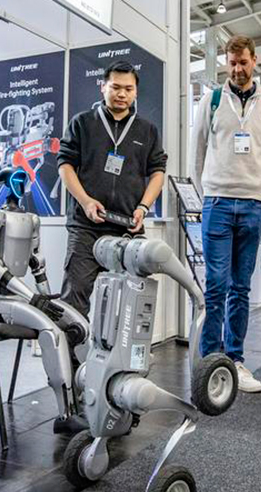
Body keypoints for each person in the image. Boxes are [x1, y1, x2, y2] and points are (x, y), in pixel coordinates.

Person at [190, 35, 261, 393]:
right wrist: (206, 194)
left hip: (251, 206)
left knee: (240, 288)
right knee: (216, 286)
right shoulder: (211, 100)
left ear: (254, 61)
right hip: (216, 202)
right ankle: (210, 361)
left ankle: (235, 360)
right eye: (231, 63)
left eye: (243, 62)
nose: (237, 69)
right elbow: (197, 152)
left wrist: (258, 192)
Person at [57, 61, 167, 317]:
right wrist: (85, 201)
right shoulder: (82, 123)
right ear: (103, 87)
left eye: (128, 89)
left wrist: (143, 207)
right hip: (86, 226)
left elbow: (158, 172)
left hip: (128, 228)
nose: (121, 94)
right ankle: (73, 345)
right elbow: (65, 165)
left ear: (135, 92)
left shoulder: (147, 130)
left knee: (130, 305)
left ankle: (119, 347)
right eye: (115, 87)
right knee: (75, 298)